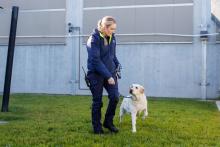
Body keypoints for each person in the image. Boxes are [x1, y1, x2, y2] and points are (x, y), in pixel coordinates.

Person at [86, 16, 121, 134]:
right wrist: (108, 76)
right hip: (96, 74)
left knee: (115, 97)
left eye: (114, 29)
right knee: (98, 101)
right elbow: (96, 61)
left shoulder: (112, 37)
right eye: (112, 29)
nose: (113, 31)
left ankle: (108, 122)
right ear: (105, 27)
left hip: (110, 73)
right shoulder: (93, 39)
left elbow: (112, 56)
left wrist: (117, 65)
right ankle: (97, 128)